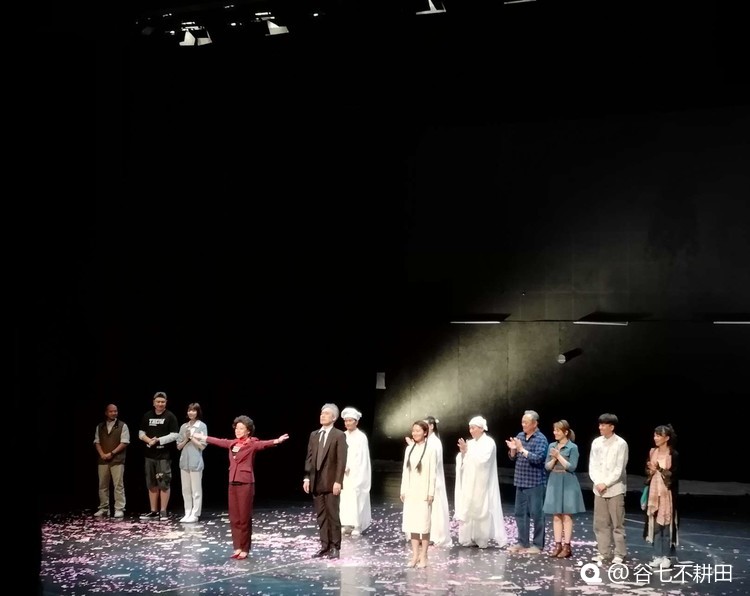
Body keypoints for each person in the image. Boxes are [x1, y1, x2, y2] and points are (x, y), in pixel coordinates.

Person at [195, 415, 289, 559]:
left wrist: (277, 440)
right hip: (232, 482)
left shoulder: (252, 443)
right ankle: (237, 547)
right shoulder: (232, 443)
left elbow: (263, 444)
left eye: (241, 428)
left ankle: (245, 548)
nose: (238, 431)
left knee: (244, 517)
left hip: (245, 483)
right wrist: (203, 437)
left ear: (248, 430)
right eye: (236, 428)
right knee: (234, 518)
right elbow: (219, 441)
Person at [454, 415, 507, 549]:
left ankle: (481, 538)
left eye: (473, 428)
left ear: (482, 428)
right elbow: (463, 460)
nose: (471, 431)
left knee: (481, 507)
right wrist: (463, 453)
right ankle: (468, 537)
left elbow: (483, 461)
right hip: (469, 481)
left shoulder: (489, 442)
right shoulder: (471, 443)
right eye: (470, 428)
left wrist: (468, 453)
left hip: (482, 482)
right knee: (469, 506)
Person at [303, 403, 348, 559]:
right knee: (321, 516)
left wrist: (338, 481)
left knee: (333, 515)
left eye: (327, 413)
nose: (323, 416)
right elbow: (309, 458)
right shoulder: (314, 435)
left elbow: (341, 461)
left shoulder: (339, 435)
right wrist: (307, 477)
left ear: (334, 418)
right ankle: (325, 546)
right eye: (322, 413)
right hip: (316, 481)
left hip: (331, 482)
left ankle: (335, 546)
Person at [505, 410, 549, 554]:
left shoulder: (541, 439)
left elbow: (538, 459)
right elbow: (513, 458)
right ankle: (522, 542)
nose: (523, 425)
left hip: (535, 482)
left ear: (535, 424)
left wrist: (521, 449)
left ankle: (538, 544)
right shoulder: (520, 436)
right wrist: (513, 450)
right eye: (522, 422)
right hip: (520, 481)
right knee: (520, 513)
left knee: (537, 514)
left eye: (526, 422)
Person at [589, 412, 629, 565]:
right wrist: (598, 482)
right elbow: (592, 465)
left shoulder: (621, 444)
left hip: (615, 489)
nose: (600, 427)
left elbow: (619, 468)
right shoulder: (596, 442)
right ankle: (603, 552)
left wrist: (605, 483)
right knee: (600, 523)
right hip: (599, 489)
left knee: (617, 523)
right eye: (600, 424)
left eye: (603, 425)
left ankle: (619, 553)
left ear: (611, 427)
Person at [542, 420, 586, 558]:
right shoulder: (552, 446)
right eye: (554, 430)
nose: (555, 432)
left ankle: (567, 546)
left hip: (568, 482)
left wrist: (558, 456)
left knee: (567, 515)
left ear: (565, 432)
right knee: (556, 515)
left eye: (558, 430)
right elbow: (547, 466)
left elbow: (572, 467)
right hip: (554, 480)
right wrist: (554, 459)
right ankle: (557, 545)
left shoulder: (572, 447)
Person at [138, 391, 180, 521]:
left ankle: (163, 511)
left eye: (162, 402)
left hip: (164, 456)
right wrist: (148, 440)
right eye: (158, 401)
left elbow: (175, 435)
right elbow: (141, 433)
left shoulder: (170, 416)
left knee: (164, 483)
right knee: (151, 483)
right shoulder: (147, 415)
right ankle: (153, 511)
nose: (160, 404)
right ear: (153, 402)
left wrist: (158, 440)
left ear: (166, 403)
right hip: (149, 455)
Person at [401, 420, 437, 568]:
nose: (415, 433)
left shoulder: (431, 449)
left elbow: (433, 473)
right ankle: (415, 555)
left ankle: (424, 556)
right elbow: (406, 471)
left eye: (418, 431)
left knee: (424, 524)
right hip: (411, 491)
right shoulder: (409, 449)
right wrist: (403, 490)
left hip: (423, 491)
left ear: (425, 432)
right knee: (413, 524)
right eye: (413, 430)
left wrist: (431, 492)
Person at [643, 424, 679, 570]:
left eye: (658, 435)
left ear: (667, 438)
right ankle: (657, 555)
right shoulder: (653, 452)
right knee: (656, 526)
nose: (655, 438)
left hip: (667, 494)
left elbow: (673, 476)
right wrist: (650, 471)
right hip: (654, 493)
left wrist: (658, 468)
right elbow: (647, 471)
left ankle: (667, 557)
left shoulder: (673, 454)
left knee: (667, 526)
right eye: (655, 435)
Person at [93, 403, 130, 518]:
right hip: (103, 460)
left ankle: (119, 508)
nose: (114, 413)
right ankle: (104, 508)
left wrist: (112, 453)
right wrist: (102, 454)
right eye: (111, 411)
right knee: (102, 485)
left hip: (117, 460)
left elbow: (124, 442)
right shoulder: (100, 426)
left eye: (115, 411)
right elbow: (97, 442)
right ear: (106, 412)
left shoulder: (122, 425)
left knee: (118, 485)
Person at [339, 407, 372, 537]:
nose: (347, 423)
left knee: (356, 497)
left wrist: (352, 468)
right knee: (345, 497)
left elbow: (362, 457)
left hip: (357, 472)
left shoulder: (361, 437)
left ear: (356, 422)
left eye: (350, 420)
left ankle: (357, 525)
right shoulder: (343, 435)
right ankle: (346, 523)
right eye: (346, 421)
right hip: (344, 473)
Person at [176, 402, 207, 523]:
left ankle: (195, 513)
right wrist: (186, 438)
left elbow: (202, 446)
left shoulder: (202, 426)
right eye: (189, 410)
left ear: (198, 412)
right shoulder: (183, 427)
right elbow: (178, 446)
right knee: (186, 489)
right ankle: (187, 512)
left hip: (196, 462)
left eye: (193, 410)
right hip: (184, 461)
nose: (191, 412)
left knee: (196, 490)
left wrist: (192, 438)